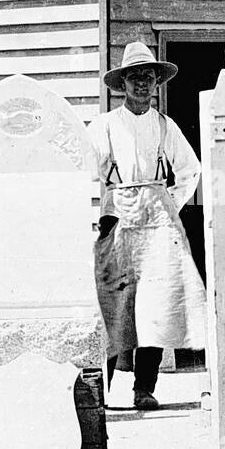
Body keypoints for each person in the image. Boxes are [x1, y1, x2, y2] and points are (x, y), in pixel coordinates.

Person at [87, 42, 206, 409]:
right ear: (122, 83)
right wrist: (98, 212)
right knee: (112, 303)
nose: (141, 84)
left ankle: (144, 388)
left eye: (148, 77)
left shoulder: (164, 127)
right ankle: (98, 394)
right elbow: (87, 173)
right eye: (134, 77)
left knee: (154, 305)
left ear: (157, 83)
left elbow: (190, 170)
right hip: (117, 218)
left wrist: (169, 201)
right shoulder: (105, 126)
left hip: (156, 220)